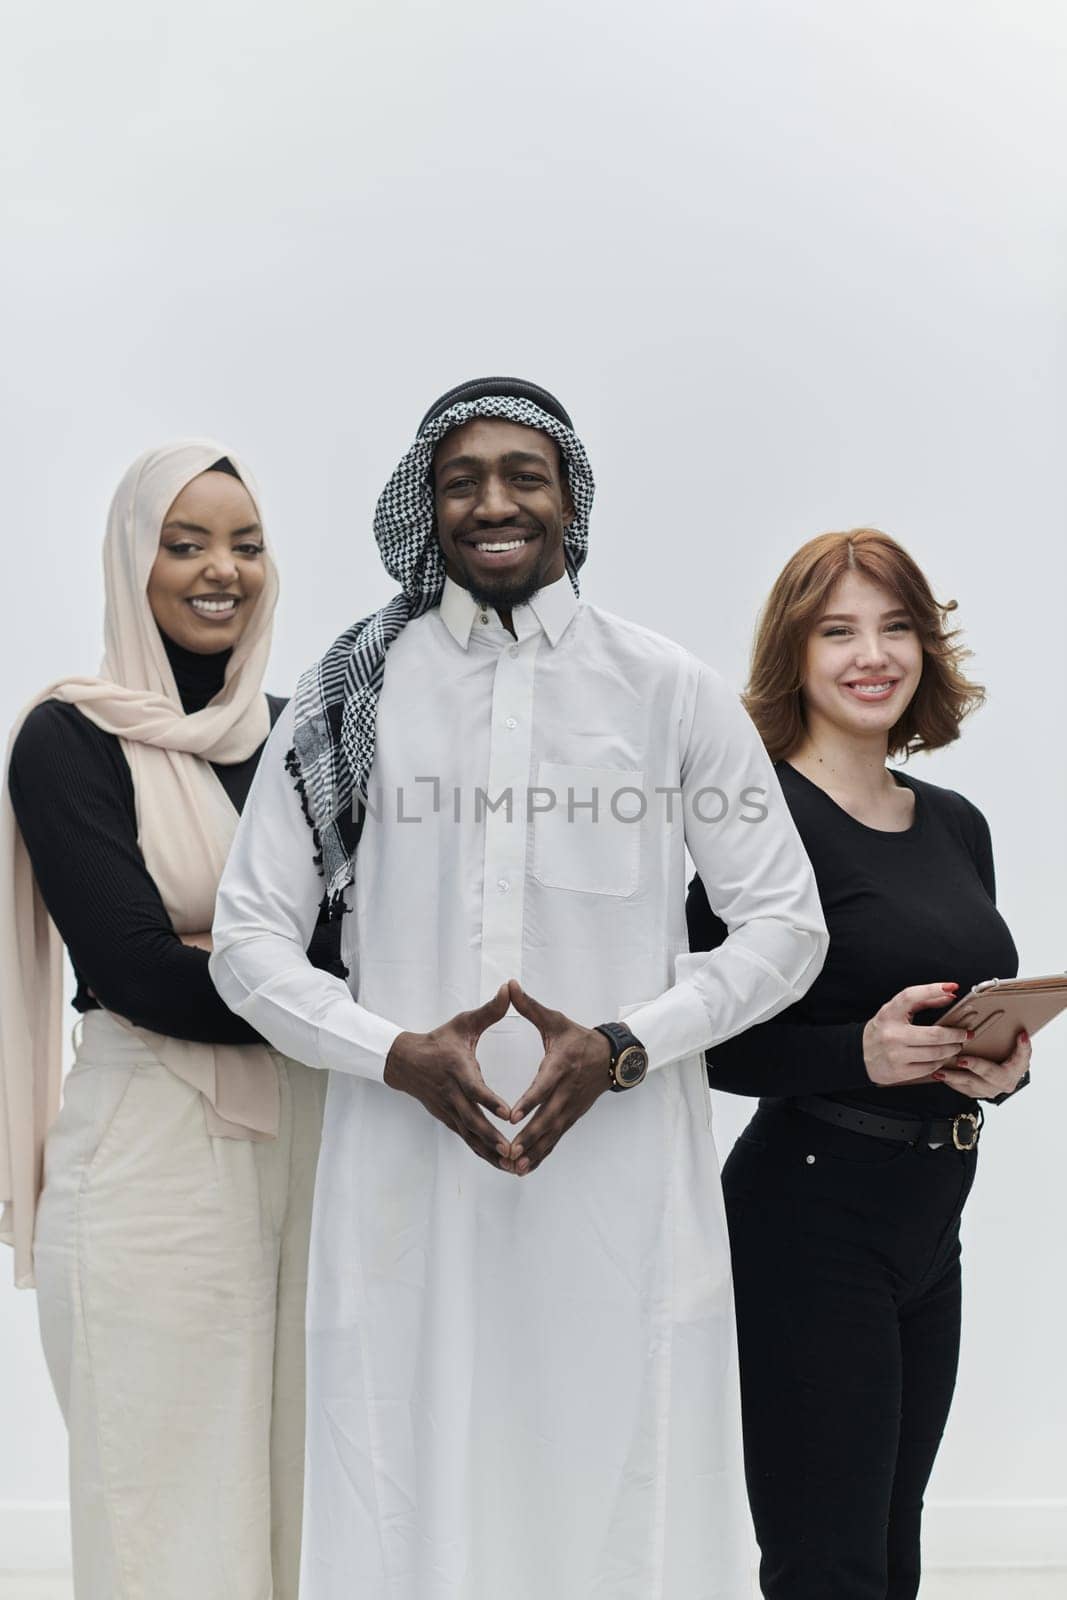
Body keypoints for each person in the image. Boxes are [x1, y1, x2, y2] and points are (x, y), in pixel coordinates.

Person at [209, 376, 828, 1600]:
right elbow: (247, 939)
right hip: (405, 1179)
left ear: (569, 502)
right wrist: (386, 1049)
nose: (491, 503)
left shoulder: (667, 690)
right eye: (460, 481)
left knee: (620, 1485)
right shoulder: (356, 694)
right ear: (425, 507)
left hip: (618, 1181)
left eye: (523, 477)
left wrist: (627, 1041)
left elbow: (783, 925)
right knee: (404, 1481)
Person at [0, 441, 334, 1600]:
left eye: (244, 544)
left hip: (315, 1148)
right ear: (129, 560)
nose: (220, 570)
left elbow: (371, 939)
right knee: (164, 1508)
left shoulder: (307, 736)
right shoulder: (70, 737)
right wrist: (310, 983)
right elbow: (138, 969)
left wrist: (257, 965)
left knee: (302, 1492)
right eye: (182, 543)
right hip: (150, 1154)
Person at [686, 528, 1030, 1600]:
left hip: (930, 1215)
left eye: (893, 627)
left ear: (925, 647)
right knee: (825, 1561)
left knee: (890, 1548)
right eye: (835, 630)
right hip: (808, 1214)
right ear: (792, 654)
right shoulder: (754, 818)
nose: (868, 654)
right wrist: (857, 1052)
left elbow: (956, 1004)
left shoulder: (954, 823)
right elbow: (696, 1038)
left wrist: (1001, 1066)